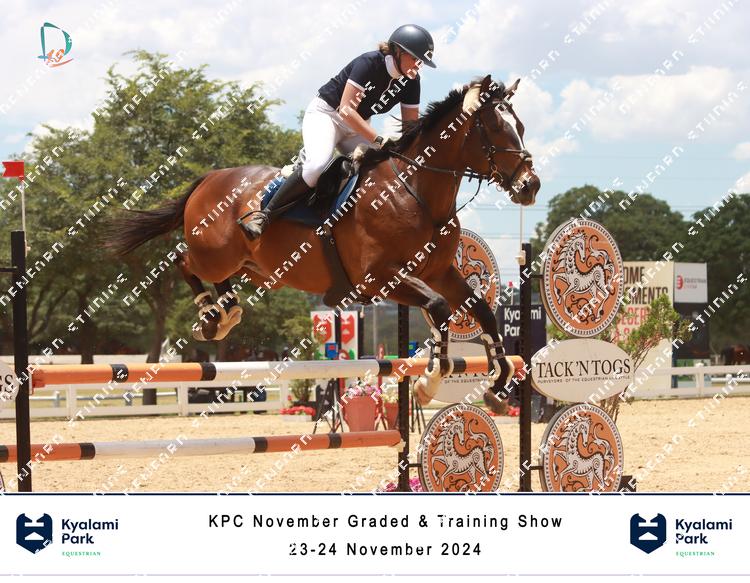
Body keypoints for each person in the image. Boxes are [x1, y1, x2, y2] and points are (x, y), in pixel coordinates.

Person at [239, 23, 436, 239]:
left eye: (422, 62)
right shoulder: (369, 63)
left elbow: (410, 127)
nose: (418, 66)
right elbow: (346, 110)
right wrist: (379, 139)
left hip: (357, 125)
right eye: (415, 59)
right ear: (397, 51)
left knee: (381, 169)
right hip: (327, 115)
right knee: (317, 165)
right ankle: (264, 216)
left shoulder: (412, 81)